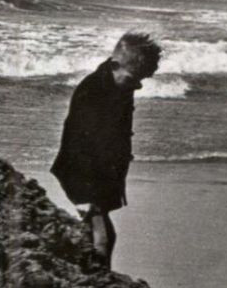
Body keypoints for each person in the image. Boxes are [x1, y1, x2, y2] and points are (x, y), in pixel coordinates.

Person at [51, 33, 162, 268]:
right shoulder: (92, 91)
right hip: (82, 171)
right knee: (100, 233)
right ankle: (99, 274)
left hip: (102, 170)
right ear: (114, 65)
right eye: (134, 78)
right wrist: (86, 194)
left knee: (99, 230)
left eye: (142, 80)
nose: (139, 85)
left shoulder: (120, 84)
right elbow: (77, 142)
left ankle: (93, 270)